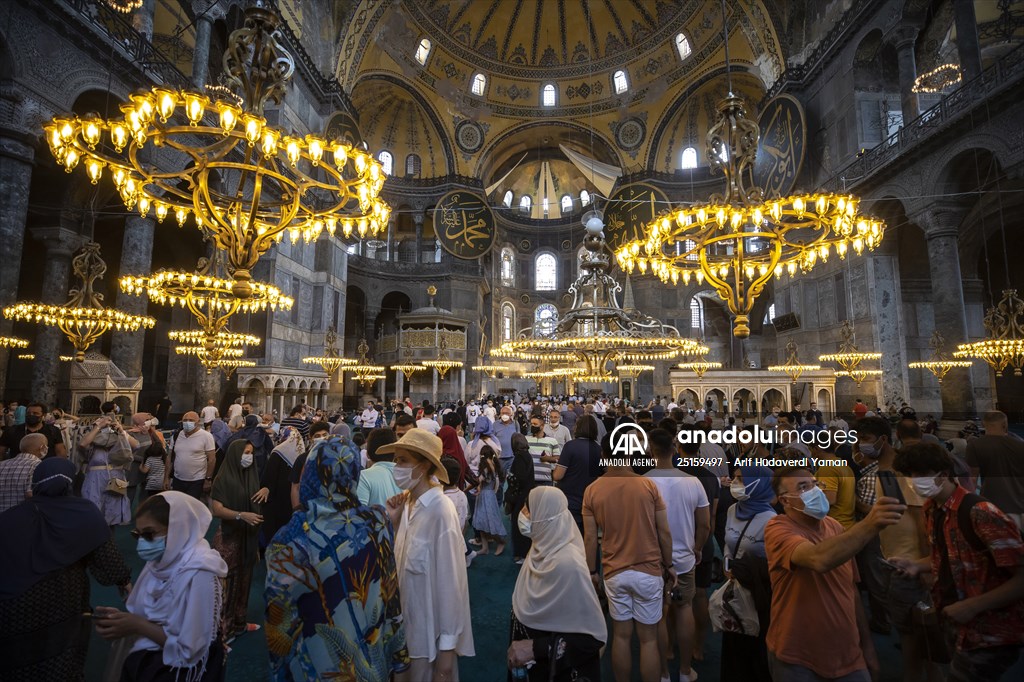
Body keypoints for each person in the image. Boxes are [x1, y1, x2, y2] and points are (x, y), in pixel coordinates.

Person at [265, 436, 409, 680]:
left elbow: (278, 621)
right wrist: (400, 659)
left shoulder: (290, 538)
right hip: (369, 662)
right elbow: (390, 597)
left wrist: (279, 671)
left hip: (315, 664)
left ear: (310, 474)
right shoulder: (377, 522)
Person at [890, 442, 1024, 682]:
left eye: (919, 475)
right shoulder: (932, 508)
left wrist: (973, 606)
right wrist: (915, 565)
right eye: (909, 475)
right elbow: (949, 556)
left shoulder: (981, 512)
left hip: (989, 630)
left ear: (943, 475)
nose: (913, 481)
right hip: (955, 621)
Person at [765, 466, 906, 682]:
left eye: (814, 483)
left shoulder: (834, 526)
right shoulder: (778, 528)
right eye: (803, 487)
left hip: (847, 651)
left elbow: (851, 590)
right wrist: (870, 523)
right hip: (798, 654)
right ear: (785, 501)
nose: (814, 491)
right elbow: (818, 559)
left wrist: (867, 647)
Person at [0, 457, 130, 680]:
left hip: (12, 611)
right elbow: (109, 566)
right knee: (60, 665)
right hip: (62, 606)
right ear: (71, 482)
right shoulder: (83, 513)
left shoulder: (9, 518)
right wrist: (125, 583)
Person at [95, 492, 228, 681]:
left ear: (178, 529)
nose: (142, 543)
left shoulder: (200, 571)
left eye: (149, 534)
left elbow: (190, 648)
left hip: (175, 671)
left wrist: (137, 624)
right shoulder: (159, 562)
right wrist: (120, 621)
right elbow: (146, 612)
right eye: (138, 534)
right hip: (146, 661)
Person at [382, 429, 475, 679]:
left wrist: (446, 652)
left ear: (423, 467)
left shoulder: (441, 510)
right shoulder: (407, 504)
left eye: (403, 460)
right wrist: (392, 524)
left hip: (428, 638)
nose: (396, 466)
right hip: (404, 630)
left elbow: (451, 585)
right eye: (396, 460)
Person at [583, 439, 676, 682]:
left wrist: (591, 571)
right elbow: (664, 532)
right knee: (648, 639)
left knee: (621, 637)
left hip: (614, 571)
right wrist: (669, 565)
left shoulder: (593, 489)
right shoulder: (647, 484)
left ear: (603, 455)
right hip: (648, 569)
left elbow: (591, 537)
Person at [508, 487, 607, 681]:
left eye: (529, 510)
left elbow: (592, 638)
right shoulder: (541, 547)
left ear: (546, 517)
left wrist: (536, 648)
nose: (523, 514)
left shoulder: (569, 566)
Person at [644, 428, 709, 682]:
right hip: (683, 559)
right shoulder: (692, 482)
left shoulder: (643, 482)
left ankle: (662, 673)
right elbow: (704, 525)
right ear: (675, 450)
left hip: (653, 560)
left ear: (651, 451)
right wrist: (698, 547)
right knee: (684, 609)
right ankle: (684, 670)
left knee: (658, 614)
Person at [721, 465, 777, 682]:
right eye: (735, 478)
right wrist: (728, 568)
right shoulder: (733, 510)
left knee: (756, 647)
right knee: (734, 642)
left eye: (741, 479)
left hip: (759, 591)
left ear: (759, 484)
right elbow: (728, 544)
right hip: (734, 588)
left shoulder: (771, 520)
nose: (734, 483)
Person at [210, 440, 263, 640]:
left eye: (250, 452)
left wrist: (265, 490)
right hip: (229, 538)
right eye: (245, 453)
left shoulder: (251, 476)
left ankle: (239, 623)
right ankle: (223, 629)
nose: (248, 457)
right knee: (227, 585)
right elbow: (217, 509)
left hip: (248, 537)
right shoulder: (223, 478)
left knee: (244, 581)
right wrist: (241, 515)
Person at [967, 410, 1024, 530]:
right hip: (1019, 504)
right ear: (1005, 425)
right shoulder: (1020, 444)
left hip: (991, 504)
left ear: (983, 424)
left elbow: (972, 478)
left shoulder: (974, 445)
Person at [79, 414, 136, 528]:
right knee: (94, 510)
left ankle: (110, 542)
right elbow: (82, 444)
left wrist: (121, 430)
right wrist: (99, 427)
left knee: (113, 512)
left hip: (116, 477)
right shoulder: (92, 440)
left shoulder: (119, 439)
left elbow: (136, 445)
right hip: (95, 479)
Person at [254, 425, 308, 545]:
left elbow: (269, 477)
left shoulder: (278, 452)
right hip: (294, 501)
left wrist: (266, 488)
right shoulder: (303, 455)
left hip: (276, 500)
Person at [552, 414, 602, 533]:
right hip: (591, 499)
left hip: (570, 499)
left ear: (578, 428)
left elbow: (558, 475)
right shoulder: (599, 449)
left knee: (570, 537)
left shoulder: (570, 446)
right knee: (590, 536)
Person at [167, 411, 216, 499]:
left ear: (197, 422)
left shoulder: (206, 436)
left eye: (191, 420)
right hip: (178, 479)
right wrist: (166, 477)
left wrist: (208, 479)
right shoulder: (176, 436)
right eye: (185, 420)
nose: (187, 422)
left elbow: (212, 459)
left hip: (196, 481)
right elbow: (170, 457)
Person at [506, 433, 537, 564]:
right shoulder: (527, 455)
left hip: (519, 496)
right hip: (527, 493)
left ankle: (521, 553)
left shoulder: (519, 458)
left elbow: (519, 478)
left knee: (518, 524)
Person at [0, 401, 66, 459]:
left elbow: (60, 453)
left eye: (35, 413)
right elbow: (1, 452)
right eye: (28, 413)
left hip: (45, 469)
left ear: (44, 415)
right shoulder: (12, 431)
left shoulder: (53, 431)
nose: (31, 415)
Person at [472, 445, 506, 555]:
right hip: (486, 494)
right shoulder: (494, 464)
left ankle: (500, 542)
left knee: (489, 521)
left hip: (487, 496)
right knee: (482, 521)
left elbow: (480, 479)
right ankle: (485, 547)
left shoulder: (487, 466)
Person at [0, 432, 47, 512]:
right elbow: (30, 494)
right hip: (24, 519)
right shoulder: (38, 466)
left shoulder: (2, 465)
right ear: (42, 448)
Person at [356, 427, 402, 507]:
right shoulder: (408, 476)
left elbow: (359, 515)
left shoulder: (363, 476)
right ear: (395, 454)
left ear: (367, 454)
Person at [526, 415, 561, 487]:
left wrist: (547, 458)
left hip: (545, 480)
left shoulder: (552, 441)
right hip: (529, 479)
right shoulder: (525, 439)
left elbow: (558, 458)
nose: (532, 426)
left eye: (535, 424)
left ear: (542, 426)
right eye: (531, 424)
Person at [493, 405, 520, 474]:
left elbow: (519, 437)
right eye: (503, 413)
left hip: (512, 456)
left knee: (513, 477)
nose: (505, 415)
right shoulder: (495, 425)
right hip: (500, 457)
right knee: (500, 477)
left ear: (511, 414)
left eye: (507, 413)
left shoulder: (515, 424)